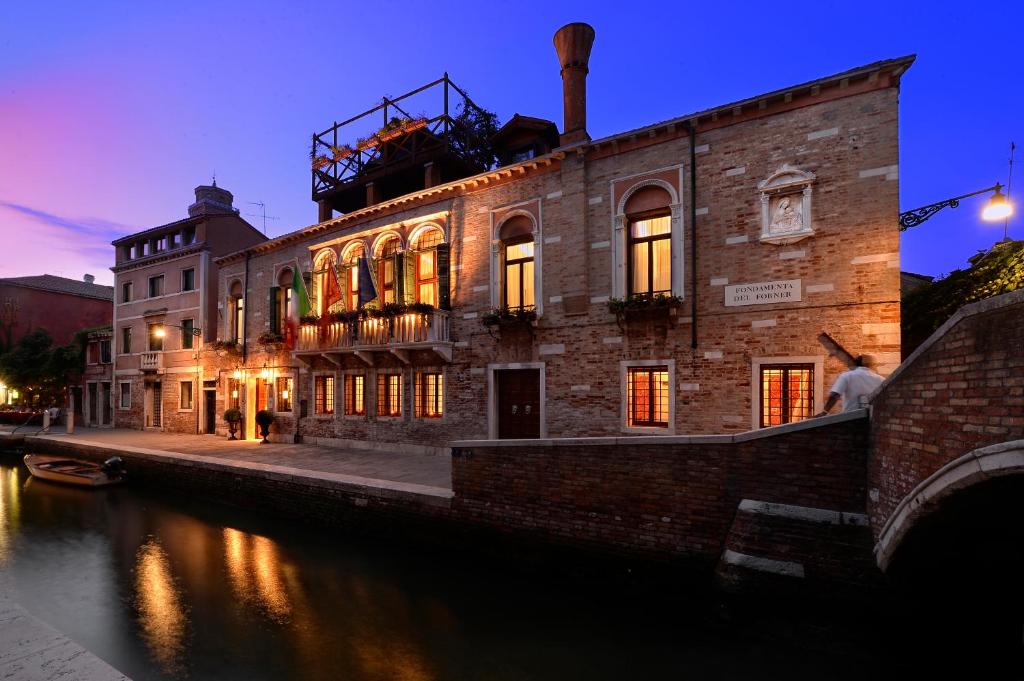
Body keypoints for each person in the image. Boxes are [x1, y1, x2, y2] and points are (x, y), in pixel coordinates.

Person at [817, 354, 884, 416]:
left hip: (850, 417)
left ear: (856, 364)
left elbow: (834, 395)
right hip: (872, 418)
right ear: (872, 365)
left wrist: (824, 412)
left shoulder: (847, 376)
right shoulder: (881, 379)